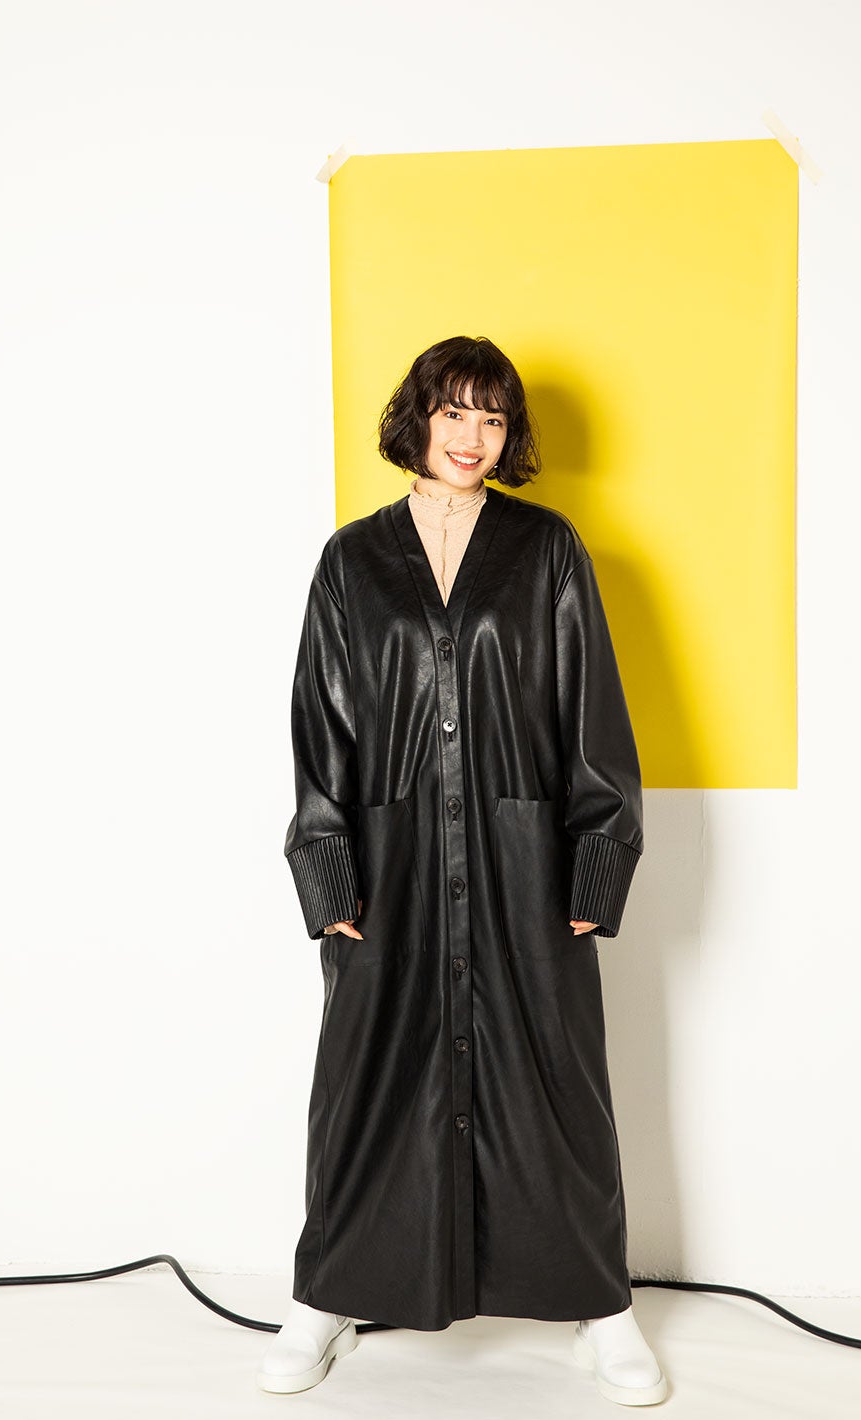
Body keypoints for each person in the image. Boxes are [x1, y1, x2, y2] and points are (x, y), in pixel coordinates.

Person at [258, 336, 667, 1405]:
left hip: (524, 863)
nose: (472, 435)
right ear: (419, 418)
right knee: (363, 1082)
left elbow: (594, 715)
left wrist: (594, 866)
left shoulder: (546, 549)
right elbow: (319, 726)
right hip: (387, 869)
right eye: (454, 411)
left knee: (557, 1083)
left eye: (492, 416)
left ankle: (602, 1307)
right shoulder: (352, 561)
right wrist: (326, 871)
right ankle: (325, 1295)